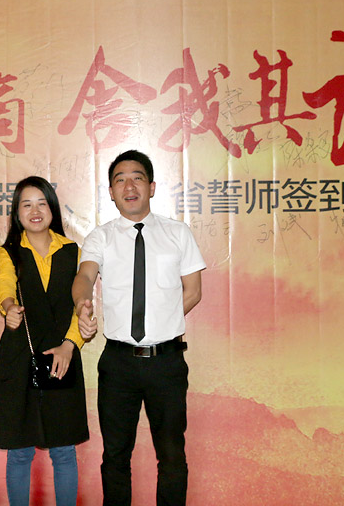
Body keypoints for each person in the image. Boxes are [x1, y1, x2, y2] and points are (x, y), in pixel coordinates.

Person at [73, 150, 205, 506]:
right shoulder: (101, 237)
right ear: (111, 192)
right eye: (120, 180)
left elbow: (193, 291)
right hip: (118, 364)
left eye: (137, 178)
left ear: (152, 187)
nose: (129, 187)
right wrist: (82, 303)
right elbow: (84, 276)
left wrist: (160, 321)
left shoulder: (178, 233)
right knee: (115, 456)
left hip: (167, 362)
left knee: (172, 455)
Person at [0, 176, 89, 506]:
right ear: (16, 213)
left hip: (61, 358)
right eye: (26, 204)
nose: (35, 211)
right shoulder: (8, 252)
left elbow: (81, 305)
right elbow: (3, 283)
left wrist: (70, 344)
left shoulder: (73, 251)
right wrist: (8, 308)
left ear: (52, 208)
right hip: (19, 357)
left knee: (63, 450)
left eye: (41, 203)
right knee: (20, 453)